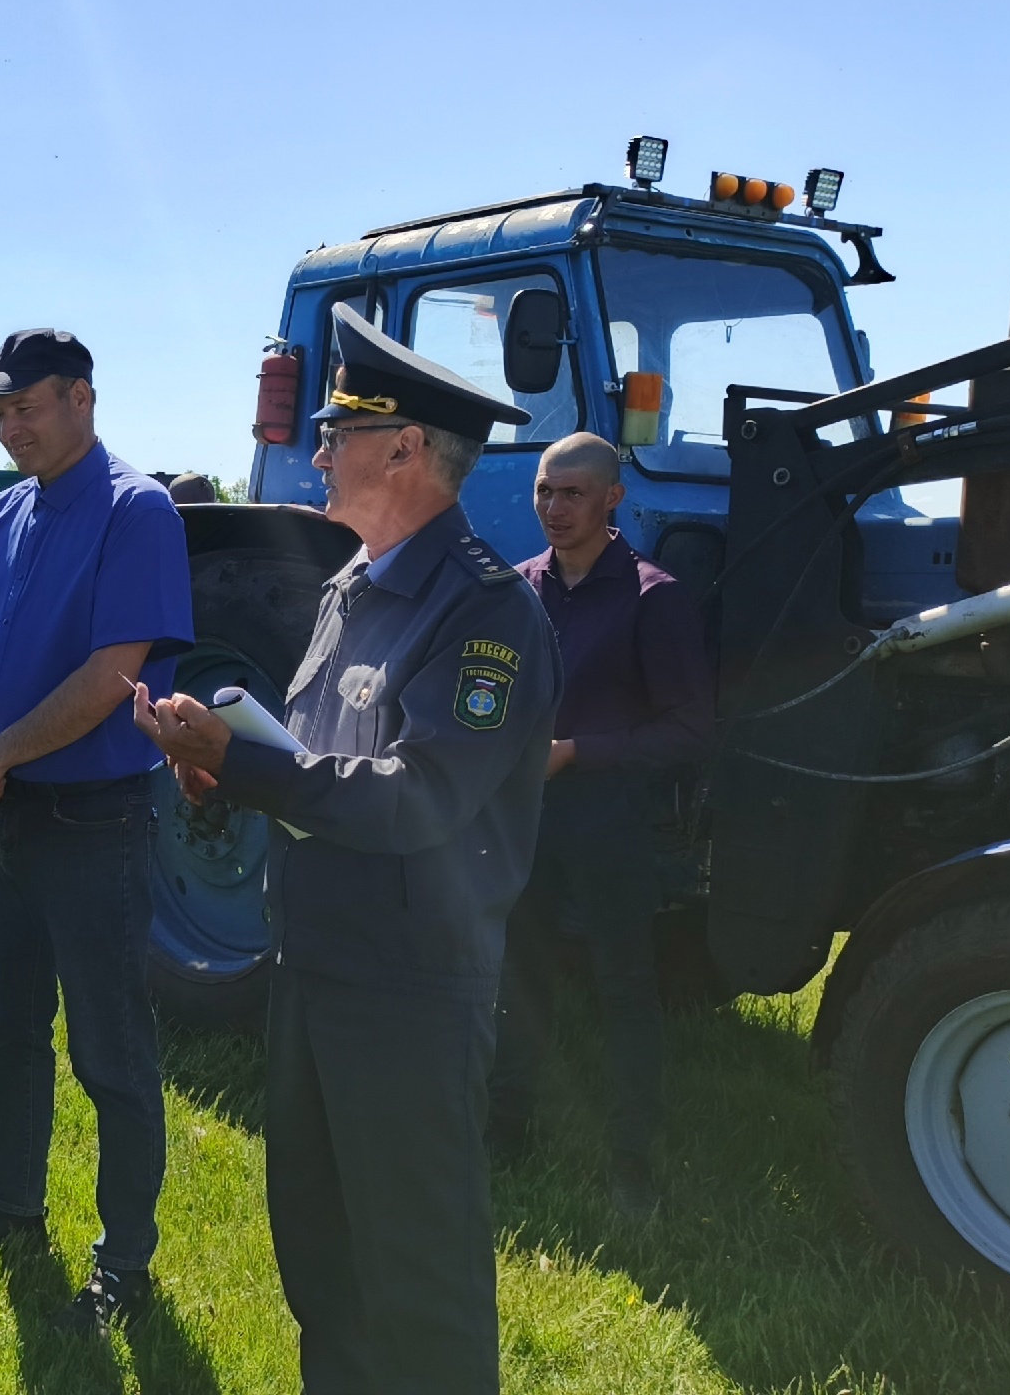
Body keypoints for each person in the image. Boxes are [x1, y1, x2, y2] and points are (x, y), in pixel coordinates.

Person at [131, 303, 558, 1393]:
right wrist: (220, 765)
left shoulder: (485, 612)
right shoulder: (347, 587)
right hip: (314, 969)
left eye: (337, 431)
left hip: (409, 988)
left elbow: (418, 799)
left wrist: (249, 763)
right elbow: (322, 765)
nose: (314, 451)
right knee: (321, 1264)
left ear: (405, 449)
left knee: (418, 1280)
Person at [0, 328, 194, 1333]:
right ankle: (14, 1209)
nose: (8, 425)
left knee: (110, 1051)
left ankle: (123, 1259)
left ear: (81, 398)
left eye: (24, 405)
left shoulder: (137, 511)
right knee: (8, 1029)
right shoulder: (3, 510)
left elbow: (109, 677)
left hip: (91, 823)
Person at [488, 432, 714, 1219]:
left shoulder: (655, 599)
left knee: (624, 987)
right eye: (545, 491)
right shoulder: (517, 591)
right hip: (529, 820)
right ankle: (505, 1136)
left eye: (573, 493)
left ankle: (631, 1164)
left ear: (613, 498)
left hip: (610, 822)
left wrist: (579, 752)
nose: (554, 508)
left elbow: (691, 731)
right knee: (519, 978)